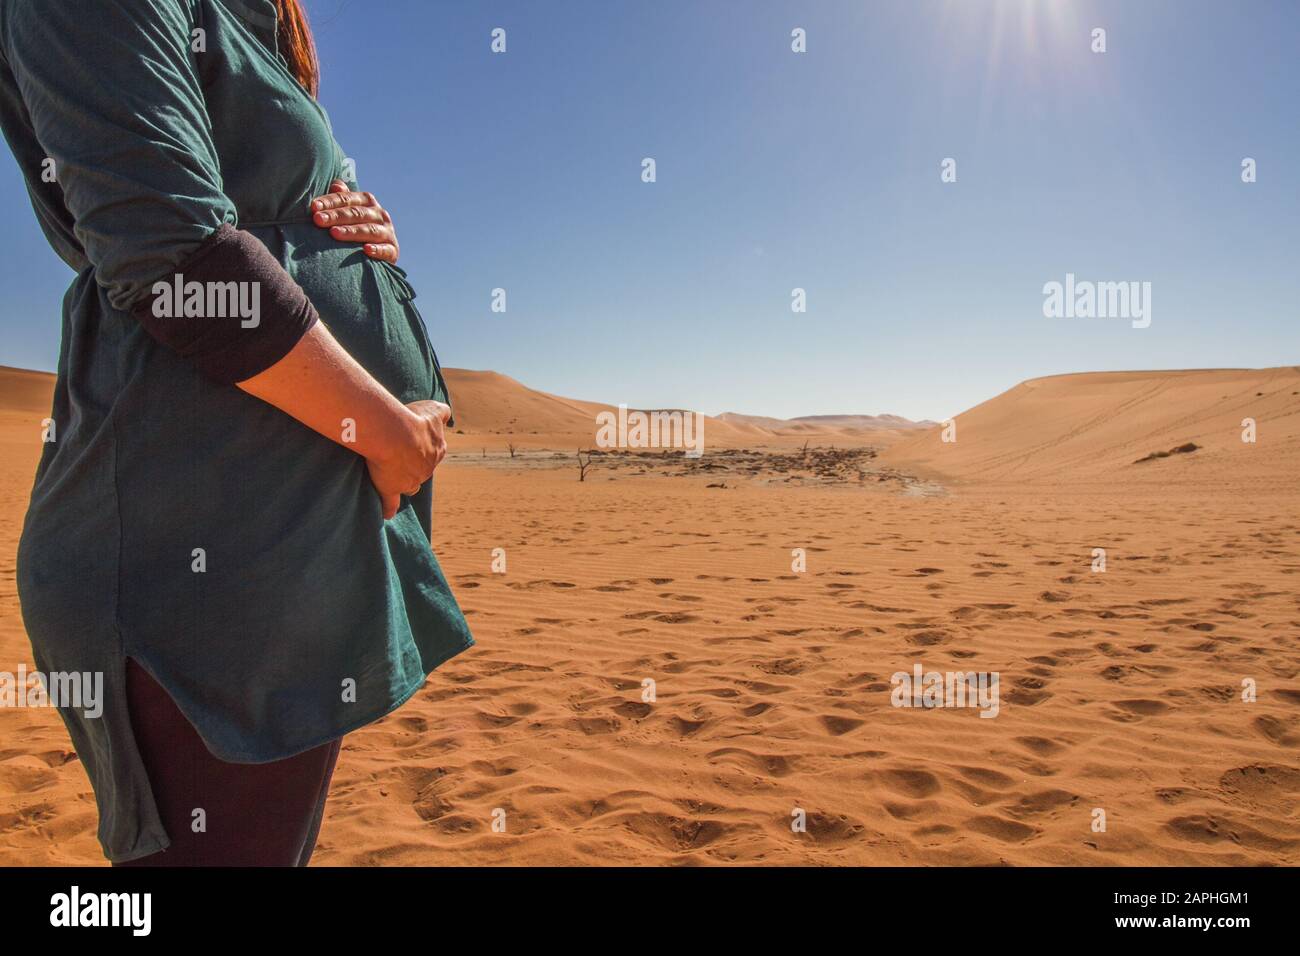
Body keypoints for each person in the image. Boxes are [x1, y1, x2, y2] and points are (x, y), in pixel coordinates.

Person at [0, 0, 474, 865]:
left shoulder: (247, 25)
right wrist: (386, 433)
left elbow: (236, 212)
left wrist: (348, 236)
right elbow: (171, 252)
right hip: (205, 554)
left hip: (284, 541)